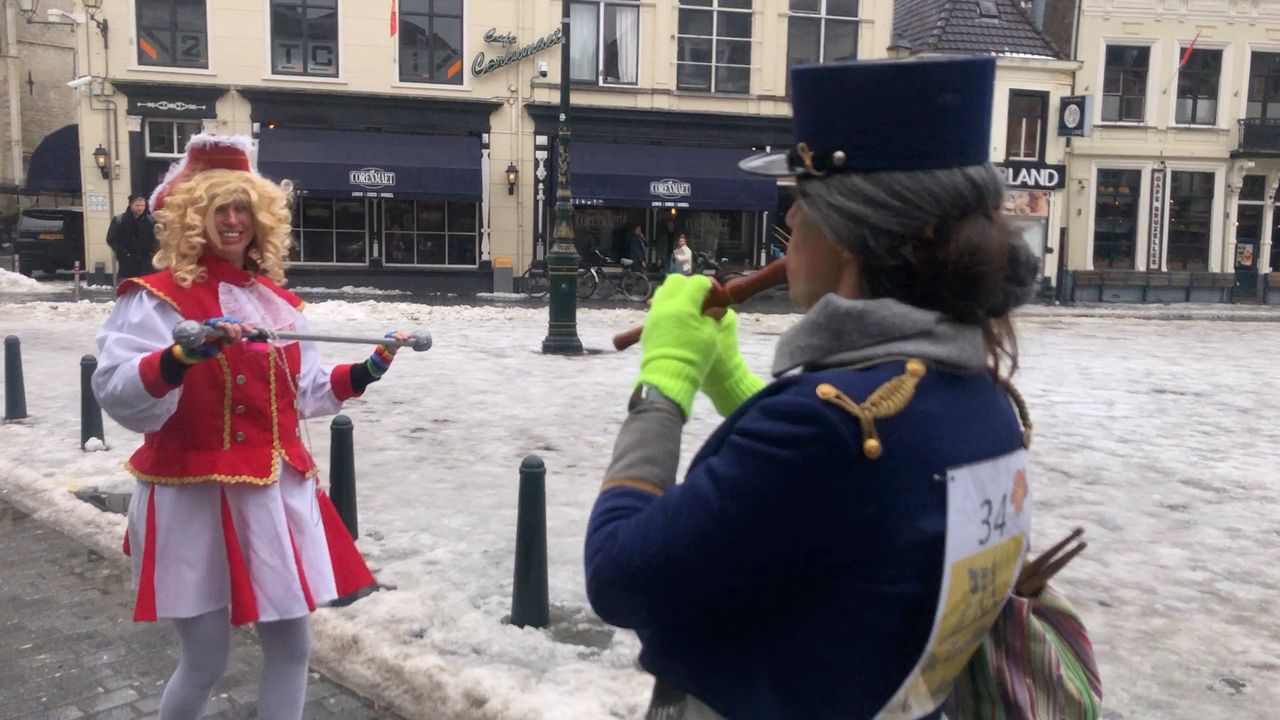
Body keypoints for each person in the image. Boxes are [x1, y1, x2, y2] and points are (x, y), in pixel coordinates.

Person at [584, 56, 1039, 720]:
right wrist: (734, 384)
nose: (790, 223)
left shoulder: (829, 429)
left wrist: (664, 383)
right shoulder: (977, 399)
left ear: (851, 233)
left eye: (802, 201)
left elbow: (619, 574)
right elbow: (828, 510)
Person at [92, 134, 406, 720]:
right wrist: (180, 359)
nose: (232, 221)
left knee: (293, 646)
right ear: (192, 216)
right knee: (206, 658)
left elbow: (304, 393)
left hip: (273, 497)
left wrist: (366, 369)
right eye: (218, 209)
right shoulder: (158, 301)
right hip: (194, 497)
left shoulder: (276, 304)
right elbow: (117, 392)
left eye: (242, 208)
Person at [106, 194, 157, 281]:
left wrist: (152, 254)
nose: (140, 208)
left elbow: (156, 239)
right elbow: (111, 239)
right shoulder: (120, 220)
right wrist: (124, 254)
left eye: (142, 205)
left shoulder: (150, 221)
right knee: (128, 291)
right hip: (127, 266)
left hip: (146, 265)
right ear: (130, 205)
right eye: (137, 205)